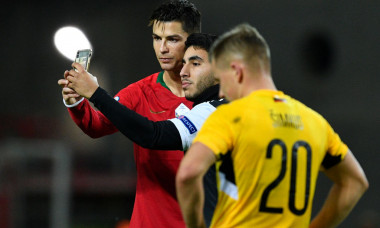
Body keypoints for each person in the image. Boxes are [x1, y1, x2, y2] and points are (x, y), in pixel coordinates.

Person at [176, 23, 369, 228]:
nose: (221, 93)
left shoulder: (229, 116)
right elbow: (356, 182)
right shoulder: (315, 122)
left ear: (237, 71)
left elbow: (188, 174)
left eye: (222, 82)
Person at [58, 1, 201, 227]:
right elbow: (97, 126)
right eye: (156, 38)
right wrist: (76, 103)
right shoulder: (140, 91)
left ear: (192, 41)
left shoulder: (215, 98)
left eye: (172, 39)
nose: (162, 48)